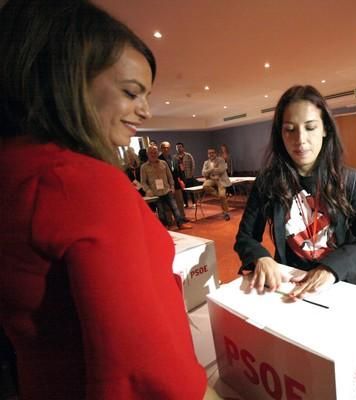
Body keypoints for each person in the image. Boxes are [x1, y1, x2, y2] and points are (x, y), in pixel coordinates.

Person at [0, 1, 214, 398]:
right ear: (66, 80)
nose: (146, 111)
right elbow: (143, 367)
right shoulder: (81, 183)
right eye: (131, 92)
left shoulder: (15, 166)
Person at [234, 85, 356, 299]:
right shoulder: (267, 182)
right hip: (292, 282)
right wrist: (260, 257)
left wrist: (330, 269)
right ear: (280, 134)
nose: (300, 139)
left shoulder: (348, 179)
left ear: (324, 129)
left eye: (310, 127)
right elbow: (245, 237)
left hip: (343, 280)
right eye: (290, 129)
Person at [141, 146, 193, 230]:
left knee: (175, 208)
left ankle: (180, 224)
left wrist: (172, 187)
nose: (153, 154)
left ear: (158, 153)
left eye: (155, 152)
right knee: (161, 211)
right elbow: (143, 182)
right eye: (151, 153)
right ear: (148, 154)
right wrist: (148, 190)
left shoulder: (163, 163)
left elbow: (170, 177)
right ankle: (164, 228)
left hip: (166, 190)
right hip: (155, 193)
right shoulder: (144, 167)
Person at [202, 148, 232, 220]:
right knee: (205, 186)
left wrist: (209, 171)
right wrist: (211, 170)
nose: (211, 154)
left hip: (221, 180)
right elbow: (203, 173)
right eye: (209, 153)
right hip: (211, 180)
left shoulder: (221, 160)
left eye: (212, 152)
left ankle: (226, 213)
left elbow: (221, 170)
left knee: (222, 196)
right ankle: (220, 196)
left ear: (216, 153)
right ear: (208, 154)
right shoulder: (206, 162)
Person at [176, 142, 197, 206]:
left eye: (180, 147)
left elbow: (193, 165)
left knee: (191, 191)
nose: (178, 148)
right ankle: (185, 203)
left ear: (183, 148)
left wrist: (191, 174)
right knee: (183, 191)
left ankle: (194, 202)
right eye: (177, 147)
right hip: (181, 177)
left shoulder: (188, 155)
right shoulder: (175, 157)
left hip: (189, 176)